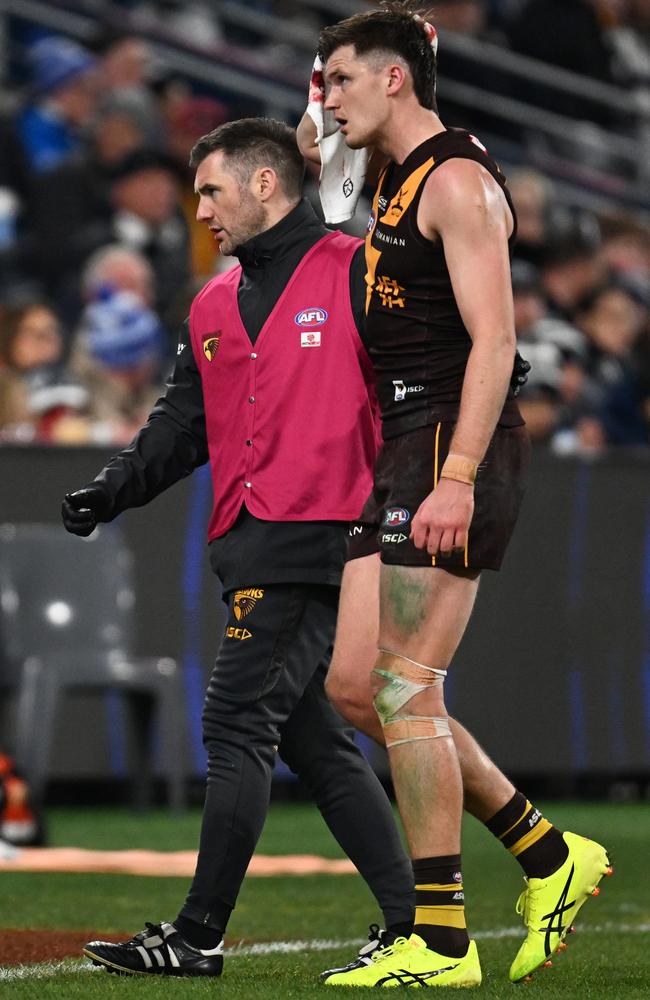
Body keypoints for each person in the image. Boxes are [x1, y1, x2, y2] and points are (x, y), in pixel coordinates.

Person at [297, 4, 611, 987]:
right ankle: (549, 854)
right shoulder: (390, 182)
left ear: (393, 80)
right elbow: (332, 187)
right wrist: (320, 133)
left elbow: (495, 340)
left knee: (402, 688)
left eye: (339, 78)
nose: (325, 94)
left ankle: (437, 940)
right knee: (356, 684)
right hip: (400, 447)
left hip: (446, 448)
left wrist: (458, 478)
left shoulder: (458, 182)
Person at [62, 117, 416, 978]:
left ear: (265, 184)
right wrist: (113, 487)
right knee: (315, 741)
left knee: (232, 721)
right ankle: (418, 921)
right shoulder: (213, 302)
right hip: (248, 540)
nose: (202, 210)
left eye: (213, 191)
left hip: (321, 534)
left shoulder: (357, 269)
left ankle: (198, 933)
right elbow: (183, 425)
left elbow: (427, 363)